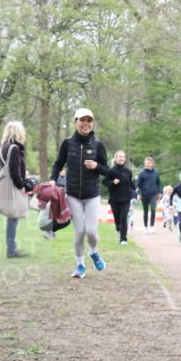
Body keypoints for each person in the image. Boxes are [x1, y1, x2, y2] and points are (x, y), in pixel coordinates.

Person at [51, 107, 109, 278]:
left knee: (91, 232)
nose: (86, 123)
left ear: (92, 123)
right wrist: (53, 179)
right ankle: (80, 265)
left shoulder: (98, 145)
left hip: (92, 195)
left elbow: (107, 170)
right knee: (79, 232)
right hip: (73, 195)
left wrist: (96, 166)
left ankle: (93, 252)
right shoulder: (68, 143)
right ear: (75, 122)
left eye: (89, 120)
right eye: (82, 120)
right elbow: (58, 164)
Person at [0, 120, 28, 258]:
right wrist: (22, 185)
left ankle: (11, 248)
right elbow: (14, 171)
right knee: (13, 218)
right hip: (14, 187)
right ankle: (11, 249)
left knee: (12, 218)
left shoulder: (3, 147)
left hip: (7, 186)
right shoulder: (14, 148)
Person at [104, 150, 136, 245]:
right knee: (117, 219)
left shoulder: (128, 171)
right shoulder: (111, 171)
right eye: (120, 157)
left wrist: (136, 191)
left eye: (123, 157)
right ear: (116, 158)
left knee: (123, 218)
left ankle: (123, 239)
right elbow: (105, 182)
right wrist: (113, 182)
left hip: (126, 198)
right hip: (114, 199)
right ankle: (118, 229)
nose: (122, 158)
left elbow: (131, 183)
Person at [136, 156, 162, 233]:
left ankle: (151, 226)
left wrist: (160, 192)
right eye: (147, 163)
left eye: (149, 163)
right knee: (145, 211)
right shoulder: (141, 173)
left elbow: (158, 183)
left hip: (153, 194)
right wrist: (138, 194)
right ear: (145, 163)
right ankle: (145, 227)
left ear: (152, 164)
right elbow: (138, 185)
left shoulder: (156, 173)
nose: (148, 164)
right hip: (144, 194)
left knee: (153, 210)